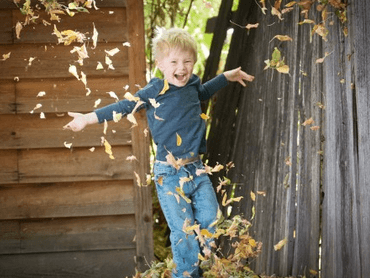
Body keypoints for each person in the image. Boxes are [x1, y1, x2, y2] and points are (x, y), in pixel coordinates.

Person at [64, 28, 254, 278]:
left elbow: (202, 93)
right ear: (161, 65)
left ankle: (206, 261)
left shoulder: (193, 83)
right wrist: (88, 119)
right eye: (174, 61)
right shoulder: (155, 90)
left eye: (187, 61)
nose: (182, 67)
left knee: (210, 218)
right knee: (183, 232)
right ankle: (186, 274)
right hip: (169, 174)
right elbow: (126, 106)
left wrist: (226, 77)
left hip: (197, 169)